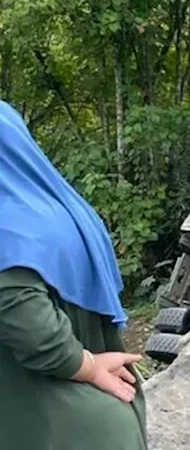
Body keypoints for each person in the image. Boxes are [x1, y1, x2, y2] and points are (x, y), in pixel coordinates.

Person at [0, 102, 147, 450]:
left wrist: (87, 366)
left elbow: (40, 337)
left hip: (58, 429)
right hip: (105, 420)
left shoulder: (8, 233)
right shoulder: (63, 213)